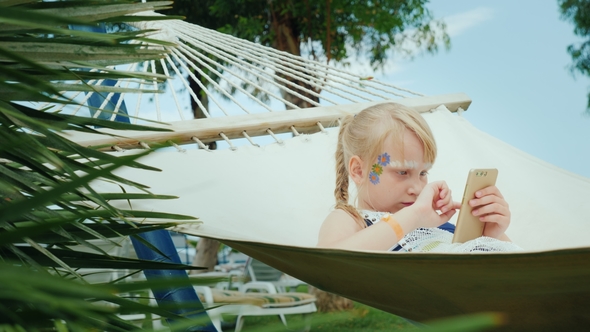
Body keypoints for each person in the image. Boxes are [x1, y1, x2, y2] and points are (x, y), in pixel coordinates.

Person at [316, 103, 521, 252]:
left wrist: (490, 234)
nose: (417, 187)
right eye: (402, 172)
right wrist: (413, 216)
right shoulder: (351, 219)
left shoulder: (437, 224)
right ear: (359, 171)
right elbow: (328, 261)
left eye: (423, 173)